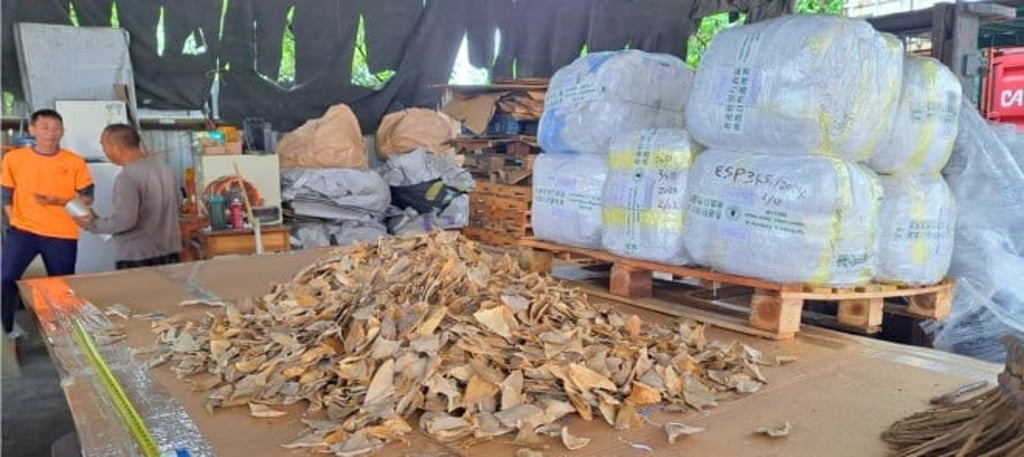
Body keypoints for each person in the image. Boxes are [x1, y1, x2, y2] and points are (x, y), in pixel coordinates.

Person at [1, 109, 95, 338]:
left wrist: (58, 201)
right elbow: (5, 194)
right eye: (45, 128)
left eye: (56, 128)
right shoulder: (14, 158)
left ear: (62, 131)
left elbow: (87, 196)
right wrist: (13, 219)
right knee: (5, 278)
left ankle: (62, 333)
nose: (51, 133)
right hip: (23, 231)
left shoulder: (74, 161)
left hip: (61, 233)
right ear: (32, 130)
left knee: (60, 285)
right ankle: (6, 330)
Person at [73, 124, 182, 270]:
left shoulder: (127, 176)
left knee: (139, 293)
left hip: (138, 256)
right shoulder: (164, 167)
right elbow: (179, 201)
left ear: (117, 149)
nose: (104, 151)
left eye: (104, 146)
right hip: (170, 252)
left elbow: (124, 221)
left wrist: (92, 224)